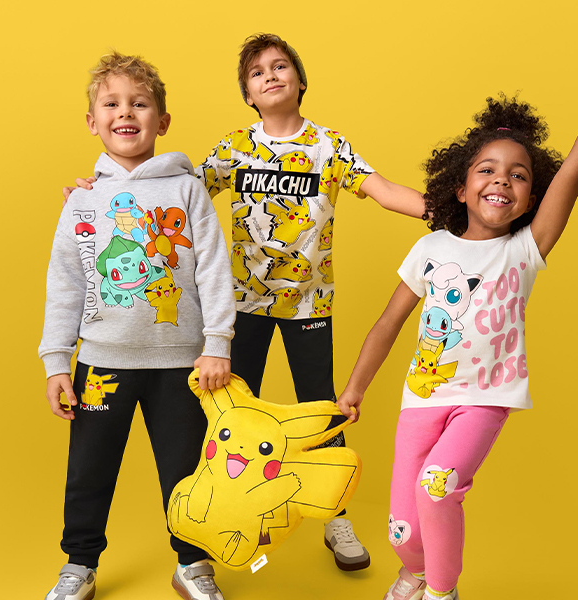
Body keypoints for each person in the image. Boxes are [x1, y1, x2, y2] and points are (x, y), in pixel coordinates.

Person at [64, 33, 428, 572]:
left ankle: (336, 517)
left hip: (309, 305)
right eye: (258, 73)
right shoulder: (236, 147)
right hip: (242, 307)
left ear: (300, 80)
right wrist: (97, 193)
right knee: (231, 416)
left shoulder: (329, 146)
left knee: (321, 410)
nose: (271, 76)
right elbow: (167, 191)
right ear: (248, 94)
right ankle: (233, 513)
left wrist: (450, 211)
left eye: (281, 67)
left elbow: (385, 191)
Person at [335, 31, 578, 600]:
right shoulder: (430, 248)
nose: (502, 179)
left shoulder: (524, 249)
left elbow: (576, 169)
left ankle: (442, 591)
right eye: (487, 170)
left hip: (485, 396)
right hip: (422, 398)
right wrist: (355, 388)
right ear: (459, 187)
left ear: (531, 197)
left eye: (519, 174)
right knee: (403, 527)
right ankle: (415, 572)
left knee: (438, 488)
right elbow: (388, 323)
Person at [40, 51, 234, 600]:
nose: (125, 113)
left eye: (139, 104)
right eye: (112, 104)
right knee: (89, 470)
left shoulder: (188, 189)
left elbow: (213, 267)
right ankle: (79, 565)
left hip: (182, 364)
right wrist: (56, 360)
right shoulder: (82, 200)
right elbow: (65, 281)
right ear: (93, 121)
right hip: (102, 364)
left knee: (187, 473)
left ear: (162, 121)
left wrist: (217, 343)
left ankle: (193, 564)